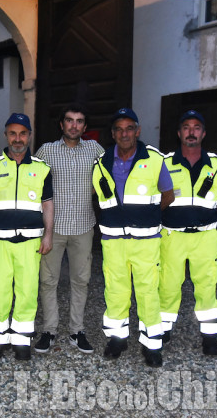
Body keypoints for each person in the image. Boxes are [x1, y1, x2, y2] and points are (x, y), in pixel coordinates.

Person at [91, 108, 174, 367]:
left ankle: (152, 346)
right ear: (113, 133)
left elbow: (167, 195)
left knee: (148, 291)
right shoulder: (101, 162)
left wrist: (147, 215)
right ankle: (117, 339)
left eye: (129, 128)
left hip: (145, 240)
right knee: (115, 290)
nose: (124, 133)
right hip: (113, 240)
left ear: (137, 131)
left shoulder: (155, 159)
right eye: (119, 129)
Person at [0, 113, 54, 361]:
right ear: (6, 135)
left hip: (30, 242)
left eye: (22, 133)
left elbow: (48, 204)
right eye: (12, 133)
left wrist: (48, 235)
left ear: (29, 135)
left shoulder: (42, 169)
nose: (17, 139)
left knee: (27, 291)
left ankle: (21, 341)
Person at [33, 104, 104, 354]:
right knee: (48, 280)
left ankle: (77, 330)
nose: (74, 125)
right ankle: (49, 330)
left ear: (85, 127)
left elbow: (109, 175)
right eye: (69, 120)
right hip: (53, 227)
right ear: (61, 124)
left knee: (81, 280)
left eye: (79, 121)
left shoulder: (95, 150)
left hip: (84, 226)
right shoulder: (46, 151)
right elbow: (33, 184)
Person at [159, 110, 217, 356]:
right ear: (179, 133)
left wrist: (200, 218)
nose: (191, 131)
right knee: (168, 283)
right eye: (186, 127)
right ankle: (164, 328)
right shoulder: (164, 163)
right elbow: (157, 200)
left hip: (205, 237)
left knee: (206, 285)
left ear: (204, 133)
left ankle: (210, 336)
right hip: (172, 236)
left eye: (196, 127)